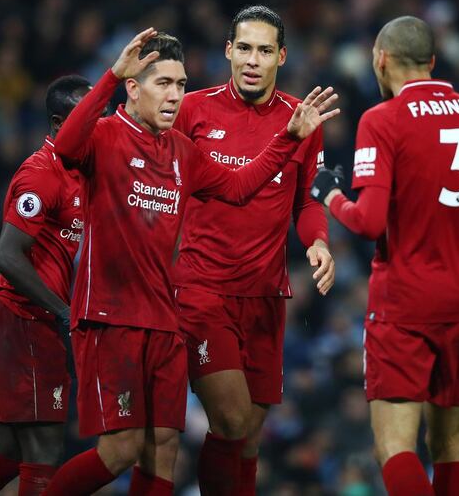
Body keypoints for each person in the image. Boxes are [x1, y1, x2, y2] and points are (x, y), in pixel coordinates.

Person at [41, 28, 339, 496]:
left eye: (181, 84)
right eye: (163, 83)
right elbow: (65, 147)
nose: (175, 95)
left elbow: (240, 187)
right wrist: (110, 76)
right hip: (111, 315)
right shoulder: (106, 135)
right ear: (134, 88)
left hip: (163, 318)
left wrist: (288, 139)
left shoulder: (182, 151)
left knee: (164, 446)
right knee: (120, 450)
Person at [311, 16, 459, 496]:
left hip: (404, 305)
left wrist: (329, 196)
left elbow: (368, 222)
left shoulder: (382, 120)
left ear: (380, 59)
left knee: (395, 446)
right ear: (432, 62)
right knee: (450, 443)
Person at [171, 5, 334, 495]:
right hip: (202, 290)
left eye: (265, 50)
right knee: (233, 421)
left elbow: (308, 199)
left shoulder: (301, 119)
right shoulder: (192, 110)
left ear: (281, 56)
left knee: (247, 439)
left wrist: (319, 240)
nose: (252, 60)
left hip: (264, 296)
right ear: (227, 50)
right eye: (244, 48)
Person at [0, 74, 92, 496]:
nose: (97, 126)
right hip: (24, 319)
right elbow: (6, 255)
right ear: (57, 123)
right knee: (45, 447)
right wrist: (64, 310)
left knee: (9, 452)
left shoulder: (77, 172)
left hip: (28, 322)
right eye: (87, 118)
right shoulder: (41, 174)